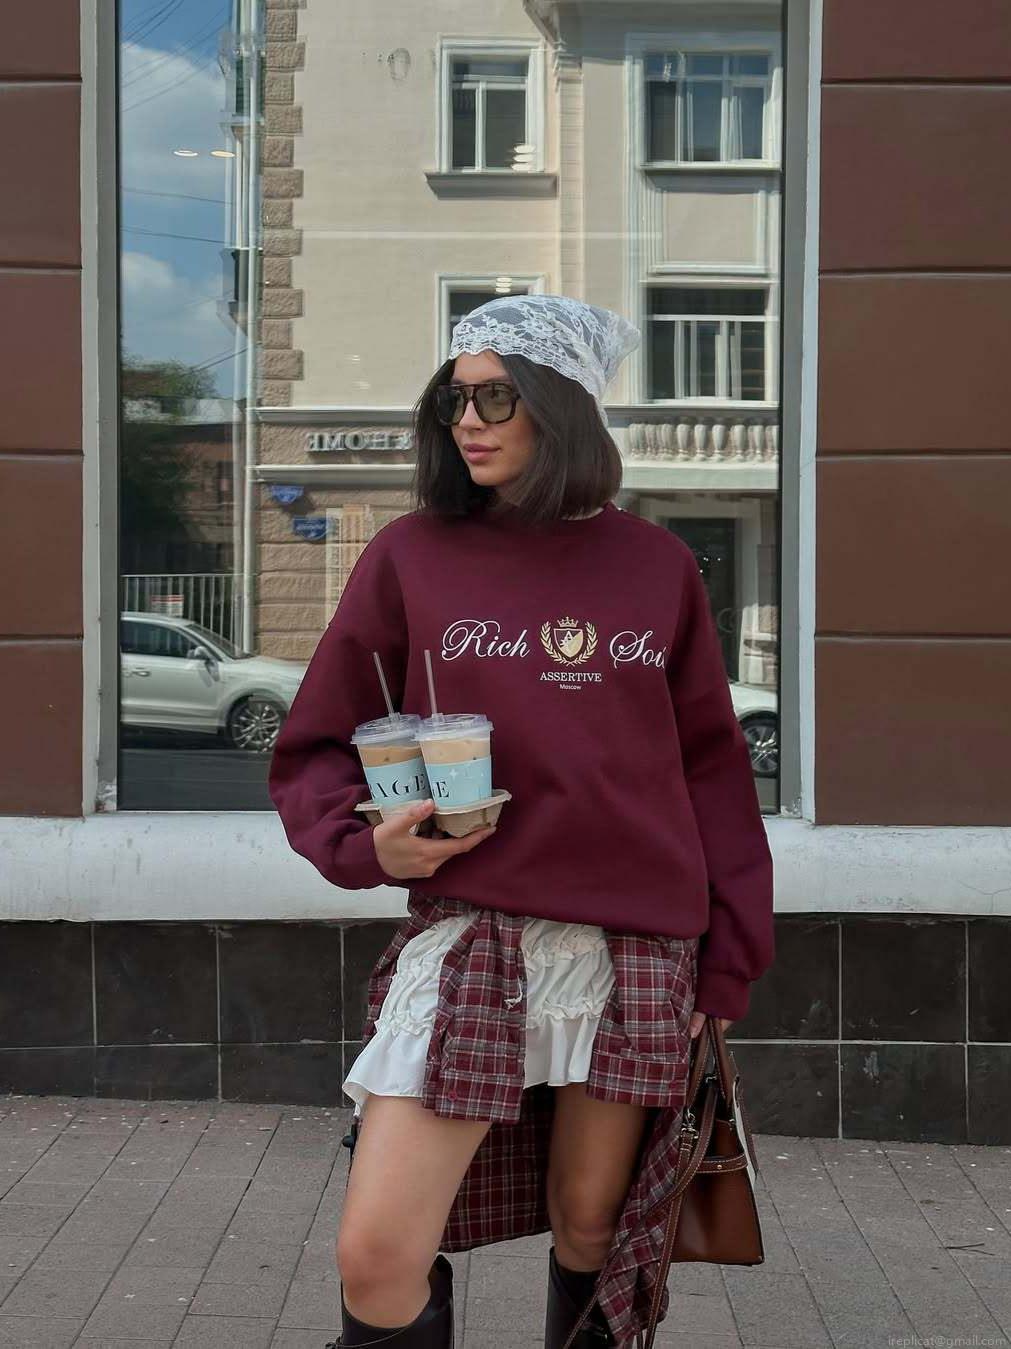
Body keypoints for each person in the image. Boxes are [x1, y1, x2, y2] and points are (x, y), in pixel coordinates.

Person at [268, 293, 775, 1348]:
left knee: (593, 1226)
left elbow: (713, 777)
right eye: (455, 399)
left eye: (498, 396)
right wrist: (367, 845)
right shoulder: (411, 554)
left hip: (637, 944)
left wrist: (726, 967)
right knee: (377, 1252)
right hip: (475, 935)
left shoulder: (658, 566)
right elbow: (317, 742)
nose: (469, 420)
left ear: (563, 404)